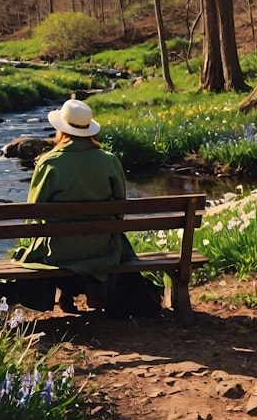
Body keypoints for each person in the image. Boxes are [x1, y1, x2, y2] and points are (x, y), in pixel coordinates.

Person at [10, 98, 161, 316]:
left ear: (61, 130)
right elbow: (120, 209)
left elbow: (34, 212)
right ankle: (94, 292)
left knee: (38, 246)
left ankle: (67, 293)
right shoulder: (109, 161)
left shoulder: (49, 162)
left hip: (59, 253)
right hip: (102, 249)